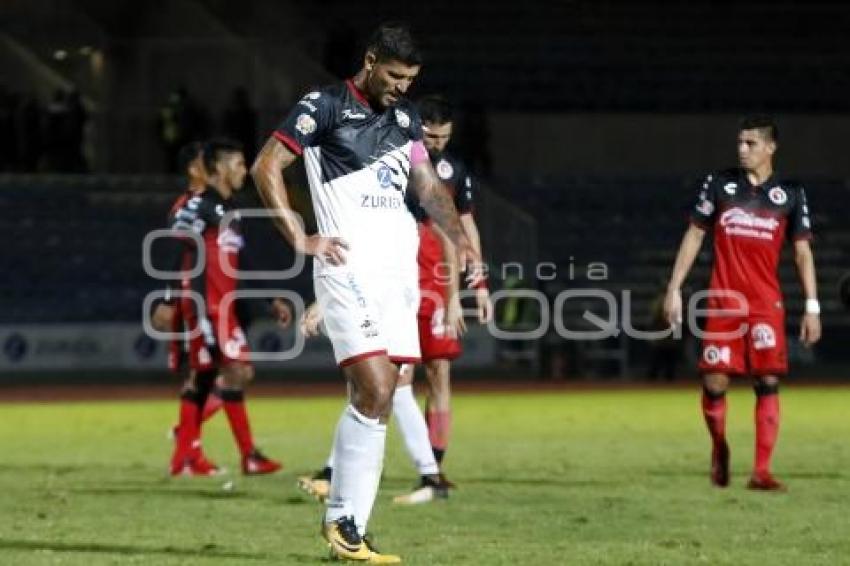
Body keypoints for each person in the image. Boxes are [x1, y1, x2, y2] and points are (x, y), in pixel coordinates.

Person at [251, 22, 481, 563]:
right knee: (376, 388)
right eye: (395, 76)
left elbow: (426, 188)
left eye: (411, 79)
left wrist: (459, 241)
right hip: (347, 269)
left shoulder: (405, 119)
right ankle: (343, 522)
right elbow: (267, 166)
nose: (403, 87)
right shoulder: (324, 106)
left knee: (384, 393)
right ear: (371, 60)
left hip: (398, 275)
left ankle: (347, 527)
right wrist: (299, 237)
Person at [663, 115, 821, 491]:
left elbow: (802, 253)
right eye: (739, 143)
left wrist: (812, 306)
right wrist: (674, 288)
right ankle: (719, 448)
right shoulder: (719, 184)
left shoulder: (792, 192)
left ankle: (761, 472)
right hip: (722, 301)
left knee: (767, 380)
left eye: (750, 144)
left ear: (770, 147)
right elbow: (694, 235)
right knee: (715, 382)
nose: (741, 150)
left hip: (766, 303)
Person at [153, 138, 286, 476]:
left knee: (216, 375)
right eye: (240, 164)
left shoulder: (227, 211)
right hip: (205, 306)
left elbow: (239, 261)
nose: (244, 171)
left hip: (222, 308)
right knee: (231, 373)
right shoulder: (197, 207)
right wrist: (168, 298)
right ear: (222, 169)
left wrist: (270, 298)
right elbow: (175, 249)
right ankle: (215, 453)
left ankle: (191, 452)